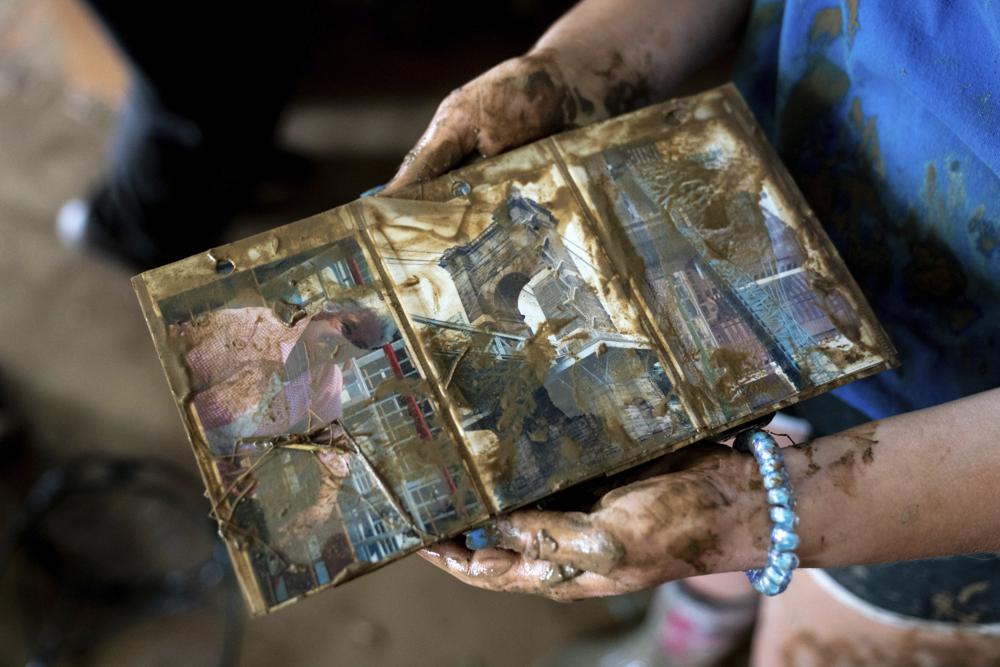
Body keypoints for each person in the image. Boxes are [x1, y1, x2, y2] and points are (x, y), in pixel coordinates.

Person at [384, 0, 1000, 664]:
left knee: (804, 624)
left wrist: (755, 515)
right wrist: (577, 63)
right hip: (751, 210)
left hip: (953, 424)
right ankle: (696, 621)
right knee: (681, 487)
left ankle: (705, 601)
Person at [175, 298, 397, 452]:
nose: (344, 343)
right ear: (326, 311)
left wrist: (320, 506)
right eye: (346, 328)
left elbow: (334, 444)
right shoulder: (255, 326)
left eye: (358, 344)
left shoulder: (327, 382)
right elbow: (176, 374)